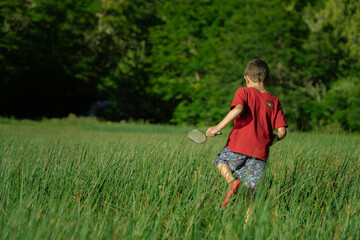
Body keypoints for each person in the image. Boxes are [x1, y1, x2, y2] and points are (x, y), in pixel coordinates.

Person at [206, 59, 287, 209]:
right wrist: (272, 140)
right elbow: (282, 131)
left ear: (246, 78)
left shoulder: (243, 91)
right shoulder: (274, 101)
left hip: (238, 145)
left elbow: (237, 110)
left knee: (221, 160)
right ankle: (246, 228)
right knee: (252, 195)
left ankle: (232, 183)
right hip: (260, 153)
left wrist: (217, 127)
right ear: (268, 79)